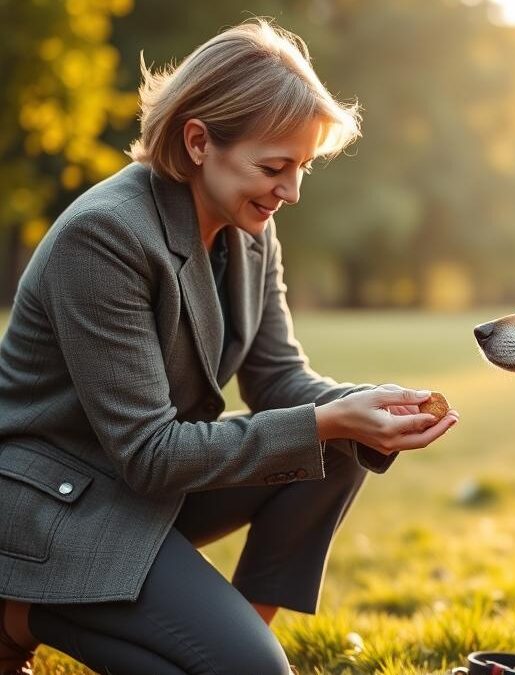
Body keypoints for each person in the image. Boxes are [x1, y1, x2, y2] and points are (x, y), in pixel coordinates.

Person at [0, 19, 458, 675]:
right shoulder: (105, 237)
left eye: (300, 168)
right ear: (197, 142)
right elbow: (150, 453)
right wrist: (330, 416)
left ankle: (237, 633)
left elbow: (279, 381)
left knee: (342, 444)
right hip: (54, 508)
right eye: (275, 167)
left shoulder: (249, 230)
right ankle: (17, 611)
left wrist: (370, 406)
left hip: (135, 492)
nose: (292, 191)